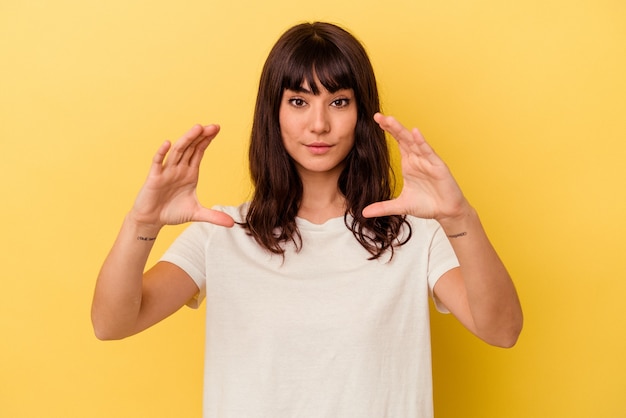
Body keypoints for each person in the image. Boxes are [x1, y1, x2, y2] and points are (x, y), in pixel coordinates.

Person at [92, 21, 522, 418]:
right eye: (298, 101)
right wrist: (142, 223)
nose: (319, 124)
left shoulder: (414, 235)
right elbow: (112, 323)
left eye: (338, 101)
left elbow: (502, 330)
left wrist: (459, 217)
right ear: (273, 113)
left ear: (362, 113)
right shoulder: (220, 232)